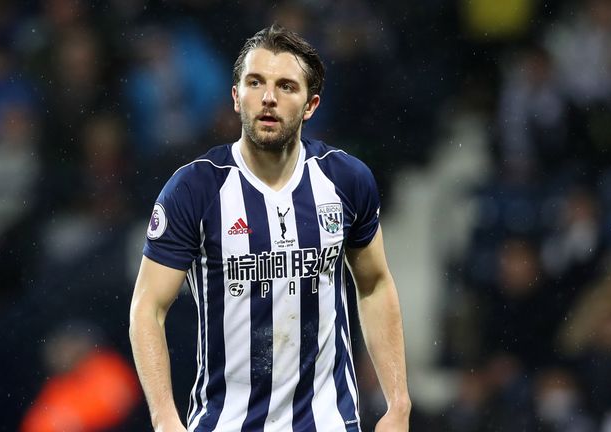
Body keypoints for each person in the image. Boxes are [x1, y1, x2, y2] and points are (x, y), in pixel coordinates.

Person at [129, 24, 410, 432]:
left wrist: (398, 402)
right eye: (255, 82)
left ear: (310, 105)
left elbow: (375, 285)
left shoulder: (346, 180)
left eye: (286, 86)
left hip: (327, 422)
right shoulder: (194, 189)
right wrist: (164, 418)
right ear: (235, 96)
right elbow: (147, 308)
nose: (268, 98)